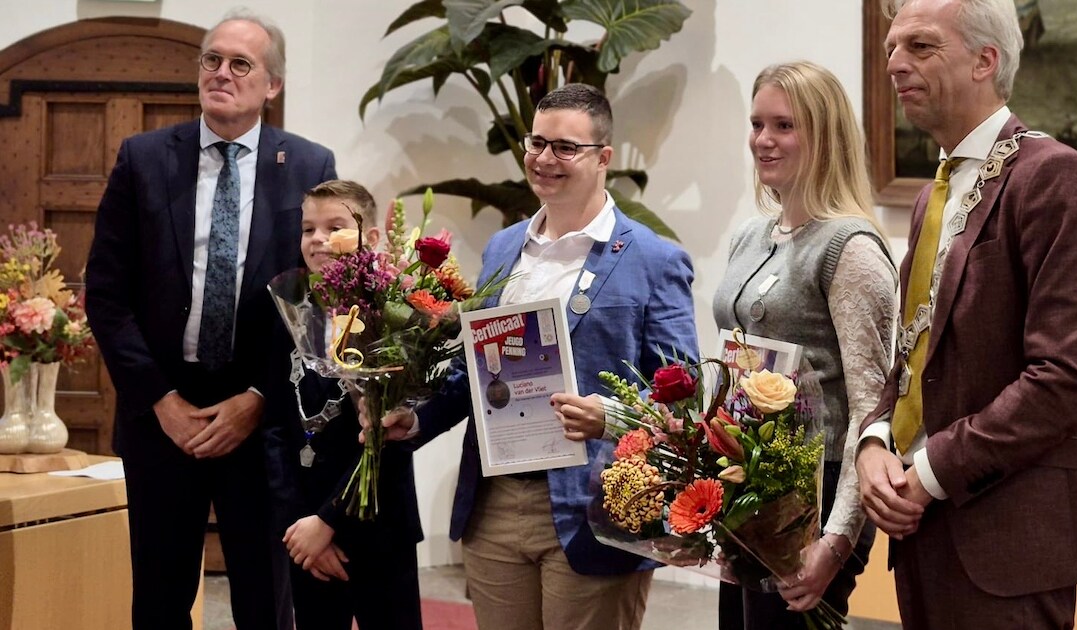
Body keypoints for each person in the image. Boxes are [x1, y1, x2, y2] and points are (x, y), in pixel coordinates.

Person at [855, 1, 1077, 628]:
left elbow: (1067, 376)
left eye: (921, 47)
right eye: (891, 50)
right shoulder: (938, 190)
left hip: (1008, 534)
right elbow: (918, 349)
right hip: (926, 526)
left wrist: (928, 471)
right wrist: (877, 439)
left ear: (987, 60)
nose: (896, 65)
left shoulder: (1055, 177)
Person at [382, 83, 699, 630]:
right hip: (496, 502)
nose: (545, 158)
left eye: (565, 148)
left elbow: (683, 387)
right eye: (537, 142)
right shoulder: (504, 248)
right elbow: (475, 373)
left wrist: (613, 416)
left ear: (604, 158)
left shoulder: (654, 258)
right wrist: (416, 418)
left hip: (593, 503)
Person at [84, 9, 336, 629]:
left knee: (264, 600)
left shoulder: (308, 165)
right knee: (160, 600)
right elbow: (106, 295)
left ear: (271, 86)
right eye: (211, 60)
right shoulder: (143, 159)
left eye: (240, 64)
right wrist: (161, 400)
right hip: (163, 417)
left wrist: (257, 397)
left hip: (263, 418)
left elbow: (318, 302)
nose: (221, 73)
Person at [711, 61, 896, 628]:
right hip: (750, 488)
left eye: (784, 126)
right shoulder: (750, 233)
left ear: (825, 135)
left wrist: (837, 540)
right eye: (757, 123)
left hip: (814, 500)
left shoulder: (851, 248)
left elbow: (870, 410)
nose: (763, 140)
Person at [262, 180, 424, 629]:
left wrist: (329, 521)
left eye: (334, 227)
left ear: (371, 238)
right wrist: (298, 522)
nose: (317, 239)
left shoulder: (392, 315)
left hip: (378, 522)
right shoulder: (291, 311)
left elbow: (392, 436)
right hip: (306, 531)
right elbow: (275, 426)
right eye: (308, 228)